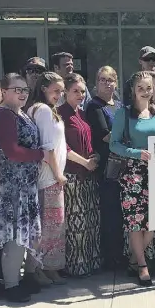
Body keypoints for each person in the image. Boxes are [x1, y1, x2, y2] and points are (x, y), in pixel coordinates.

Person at [0, 73, 50, 302]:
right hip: (10, 186)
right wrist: (40, 154)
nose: (22, 93)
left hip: (25, 185)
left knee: (25, 233)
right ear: (4, 91)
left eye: (25, 89)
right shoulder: (3, 116)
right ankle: (11, 284)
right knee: (14, 235)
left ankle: (21, 278)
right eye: (17, 89)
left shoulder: (20, 113)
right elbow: (12, 152)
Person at [110, 71, 155, 286]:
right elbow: (113, 144)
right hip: (132, 173)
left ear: (154, 89)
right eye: (140, 88)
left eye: (148, 87)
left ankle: (135, 257)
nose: (144, 91)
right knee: (135, 221)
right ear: (133, 90)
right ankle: (142, 266)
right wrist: (136, 153)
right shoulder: (123, 114)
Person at [26, 72, 68, 285]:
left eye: (61, 91)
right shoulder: (42, 110)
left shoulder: (45, 109)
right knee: (49, 226)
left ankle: (44, 268)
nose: (59, 95)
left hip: (49, 176)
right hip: (49, 177)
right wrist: (58, 174)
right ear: (43, 88)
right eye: (55, 90)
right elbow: (47, 147)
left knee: (47, 225)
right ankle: (43, 269)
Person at [59, 73, 101, 276]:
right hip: (73, 175)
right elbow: (62, 147)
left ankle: (91, 263)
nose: (80, 95)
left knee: (90, 222)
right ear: (65, 92)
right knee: (76, 225)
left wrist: (94, 158)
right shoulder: (59, 114)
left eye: (83, 91)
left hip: (89, 174)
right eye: (75, 91)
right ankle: (76, 266)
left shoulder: (83, 114)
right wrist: (84, 162)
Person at [85, 66, 125, 271]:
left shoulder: (119, 104)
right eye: (102, 80)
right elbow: (105, 136)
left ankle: (122, 253)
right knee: (110, 213)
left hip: (125, 164)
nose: (107, 83)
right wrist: (128, 135)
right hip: (108, 167)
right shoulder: (94, 106)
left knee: (122, 213)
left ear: (116, 82)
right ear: (96, 83)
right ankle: (111, 258)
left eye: (110, 79)